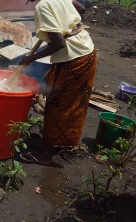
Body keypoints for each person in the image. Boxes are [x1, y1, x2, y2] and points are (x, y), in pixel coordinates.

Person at [19, 0, 97, 165]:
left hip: (74, 59)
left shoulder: (42, 6)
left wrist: (31, 58)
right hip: (87, 51)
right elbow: (81, 8)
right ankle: (62, 140)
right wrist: (65, 20)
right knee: (74, 102)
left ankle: (46, 155)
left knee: (57, 104)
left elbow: (59, 43)